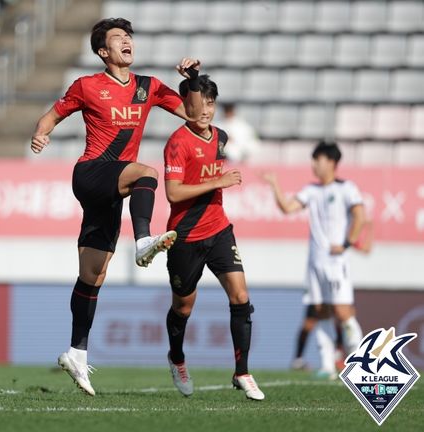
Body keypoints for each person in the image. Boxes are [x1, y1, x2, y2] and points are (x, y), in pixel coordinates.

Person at [30, 17, 203, 396]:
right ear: (103, 52)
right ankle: (143, 239)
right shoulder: (87, 86)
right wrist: (40, 134)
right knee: (147, 172)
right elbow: (54, 114)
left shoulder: (149, 86)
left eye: (129, 36)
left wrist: (190, 81)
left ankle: (76, 351)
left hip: (112, 189)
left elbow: (192, 114)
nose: (127, 41)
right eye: (118, 38)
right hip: (92, 173)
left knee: (93, 276)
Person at [162, 75, 264, 401]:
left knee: (240, 296)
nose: (204, 109)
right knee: (183, 307)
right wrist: (217, 182)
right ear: (186, 105)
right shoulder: (177, 143)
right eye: (197, 102)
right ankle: (176, 358)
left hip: (219, 230)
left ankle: (242, 372)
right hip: (186, 237)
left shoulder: (221, 137)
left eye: (210, 102)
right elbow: (173, 192)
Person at [263, 141, 365, 379]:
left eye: (317, 160)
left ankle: (361, 362)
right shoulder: (312, 190)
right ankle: (328, 365)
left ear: (331, 162)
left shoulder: (347, 188)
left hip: (335, 262)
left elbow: (360, 215)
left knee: (342, 312)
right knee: (321, 311)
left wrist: (347, 243)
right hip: (315, 263)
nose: (314, 165)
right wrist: (275, 184)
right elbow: (288, 208)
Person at [291, 220, 373, 371]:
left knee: (343, 316)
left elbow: (365, 249)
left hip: (337, 279)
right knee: (310, 321)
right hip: (318, 280)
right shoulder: (321, 230)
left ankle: (348, 357)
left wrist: (369, 228)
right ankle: (300, 359)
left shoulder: (344, 235)